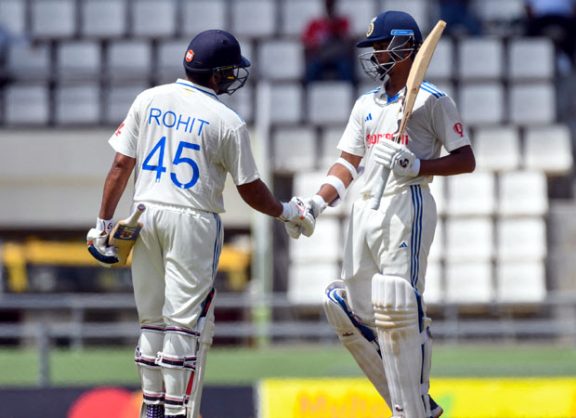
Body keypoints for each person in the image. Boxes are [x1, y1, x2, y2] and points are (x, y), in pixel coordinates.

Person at [86, 30, 314, 418]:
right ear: (217, 75)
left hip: (144, 214)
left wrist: (102, 223)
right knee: (182, 324)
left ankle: (151, 407)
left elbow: (121, 165)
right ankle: (175, 410)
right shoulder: (227, 121)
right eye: (229, 72)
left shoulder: (149, 99)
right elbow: (251, 190)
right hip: (192, 220)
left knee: (151, 320)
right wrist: (287, 212)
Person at [286, 10, 476, 418]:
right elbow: (348, 163)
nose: (372, 54)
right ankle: (413, 402)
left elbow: (466, 160)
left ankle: (411, 408)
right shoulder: (365, 105)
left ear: (406, 47)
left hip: (406, 205)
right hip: (365, 211)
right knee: (342, 306)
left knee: (398, 305)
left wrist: (419, 166)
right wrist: (316, 203)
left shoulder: (433, 101)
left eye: (380, 46)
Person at [301, 0, 355, 83]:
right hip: (320, 57)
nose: (329, 8)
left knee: (345, 67)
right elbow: (307, 41)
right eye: (328, 5)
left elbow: (347, 40)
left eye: (331, 5)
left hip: (338, 56)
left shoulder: (342, 22)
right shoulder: (315, 23)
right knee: (312, 69)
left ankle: (349, 91)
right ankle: (308, 92)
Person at [524, 0, 576, 72]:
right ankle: (533, 59)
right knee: (530, 27)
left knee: (575, 26)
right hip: (541, 18)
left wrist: (574, 16)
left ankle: (568, 57)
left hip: (564, 17)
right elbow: (528, 6)